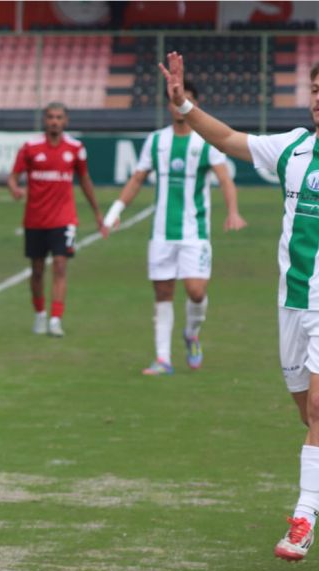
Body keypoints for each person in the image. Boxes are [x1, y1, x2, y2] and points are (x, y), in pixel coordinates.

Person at [160, 54, 319, 558]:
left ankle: (303, 521)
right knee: (312, 412)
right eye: (316, 88)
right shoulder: (292, 146)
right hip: (291, 303)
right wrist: (184, 102)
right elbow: (229, 140)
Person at [104, 80, 246, 375]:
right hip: (161, 234)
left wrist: (233, 211)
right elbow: (137, 178)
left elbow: (225, 179)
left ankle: (192, 334)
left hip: (195, 233)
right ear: (168, 105)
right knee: (163, 294)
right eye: (174, 99)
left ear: (195, 104)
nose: (180, 105)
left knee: (196, 292)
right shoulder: (156, 141)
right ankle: (162, 359)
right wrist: (116, 211)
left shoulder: (204, 142)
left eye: (188, 99)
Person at [8, 103, 107, 337]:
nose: (54, 121)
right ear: (45, 120)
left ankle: (55, 319)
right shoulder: (30, 147)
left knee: (61, 266)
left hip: (64, 219)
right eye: (50, 117)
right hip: (35, 220)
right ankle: (40, 314)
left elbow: (85, 180)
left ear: (66, 121)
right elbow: (13, 177)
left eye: (59, 117)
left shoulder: (75, 148)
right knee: (37, 270)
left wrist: (97, 213)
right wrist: (14, 189)